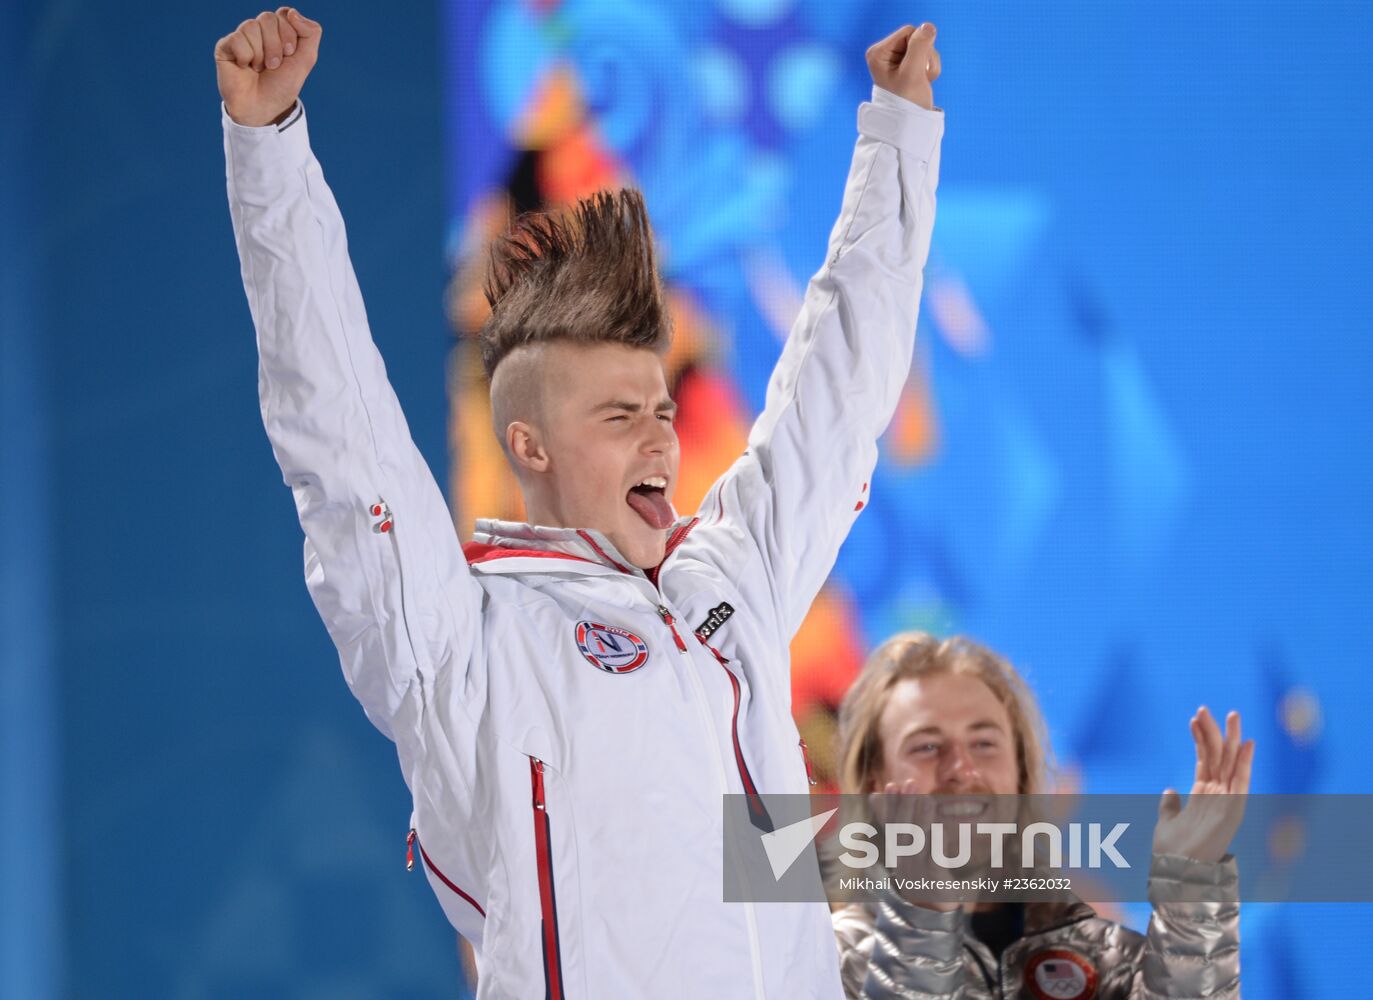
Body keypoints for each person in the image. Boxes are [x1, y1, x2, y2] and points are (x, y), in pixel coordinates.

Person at [216, 8, 944, 997]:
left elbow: (839, 392)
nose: (660, 437)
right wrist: (269, 153)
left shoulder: (725, 588)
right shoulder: (461, 639)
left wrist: (896, 138)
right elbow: (338, 430)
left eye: (660, 406)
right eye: (617, 415)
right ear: (530, 445)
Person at [831, 633, 1253, 999]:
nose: (961, 769)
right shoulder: (821, 954)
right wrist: (919, 924)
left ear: (1020, 773)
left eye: (984, 744)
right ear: (873, 784)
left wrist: (1190, 901)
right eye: (926, 746)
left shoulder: (1096, 948)